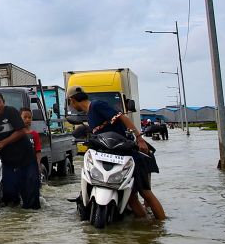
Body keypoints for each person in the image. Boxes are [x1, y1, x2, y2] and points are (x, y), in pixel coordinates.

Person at [67, 88, 166, 220]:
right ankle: (145, 225)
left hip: (130, 154)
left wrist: (139, 138)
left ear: (72, 100)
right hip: (117, 158)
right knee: (129, 196)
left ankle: (162, 226)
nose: (71, 106)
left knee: (145, 192)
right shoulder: (90, 115)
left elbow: (123, 118)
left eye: (70, 103)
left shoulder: (96, 105)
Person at [0, 91, 40, 209]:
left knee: (31, 194)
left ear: (4, 102)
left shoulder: (11, 111)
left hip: (26, 160)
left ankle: (33, 220)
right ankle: (16, 223)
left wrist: (3, 142)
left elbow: (21, 131)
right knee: (9, 195)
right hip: (7, 163)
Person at [21, 107, 45, 173]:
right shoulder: (16, 134)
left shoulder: (34, 134)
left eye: (29, 117)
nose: (27, 120)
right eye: (25, 117)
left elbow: (38, 151)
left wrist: (37, 164)